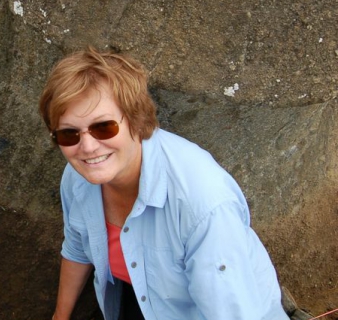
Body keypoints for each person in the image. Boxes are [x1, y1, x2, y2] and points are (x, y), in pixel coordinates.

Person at [39, 47, 289, 320]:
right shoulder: (78, 176)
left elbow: (231, 312)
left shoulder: (202, 204)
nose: (87, 147)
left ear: (136, 119)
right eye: (68, 134)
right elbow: (77, 246)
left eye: (103, 127)